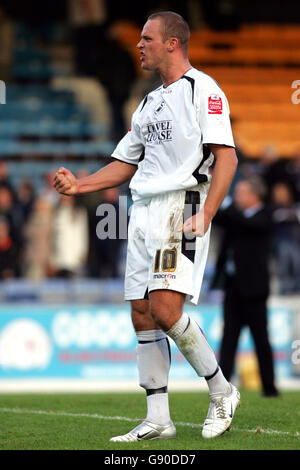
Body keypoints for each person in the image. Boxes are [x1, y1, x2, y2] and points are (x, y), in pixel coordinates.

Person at [53, 11, 239, 440]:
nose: (139, 45)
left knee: (166, 308)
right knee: (141, 312)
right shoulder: (148, 101)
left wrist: (207, 212)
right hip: (143, 210)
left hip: (181, 207)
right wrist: (80, 185)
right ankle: (159, 418)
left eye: (146, 38)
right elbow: (125, 162)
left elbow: (226, 157)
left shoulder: (203, 90)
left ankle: (222, 390)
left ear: (172, 43)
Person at [211, 176, 279, 397]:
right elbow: (216, 217)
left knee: (261, 340)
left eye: (240, 192)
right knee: (228, 339)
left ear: (254, 195)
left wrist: (226, 201)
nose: (236, 196)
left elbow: (246, 223)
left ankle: (269, 387)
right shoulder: (234, 216)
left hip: (255, 290)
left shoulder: (265, 215)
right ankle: (222, 387)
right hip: (233, 287)